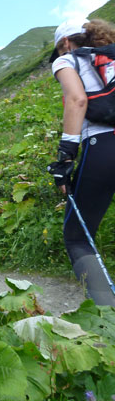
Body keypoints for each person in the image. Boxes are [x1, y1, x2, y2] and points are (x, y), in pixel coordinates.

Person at [47, 18, 115, 306]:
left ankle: (108, 318)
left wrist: (66, 156)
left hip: (103, 145)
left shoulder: (67, 60)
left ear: (65, 42)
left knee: (77, 236)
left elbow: (77, 100)